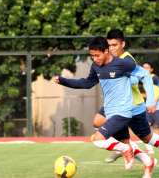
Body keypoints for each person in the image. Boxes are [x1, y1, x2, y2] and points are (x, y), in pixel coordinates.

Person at [96, 29, 159, 168]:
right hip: (117, 103)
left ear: (122, 44)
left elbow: (137, 79)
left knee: (148, 138)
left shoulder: (127, 59)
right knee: (98, 122)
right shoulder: (111, 59)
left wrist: (151, 101)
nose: (111, 48)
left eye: (114, 45)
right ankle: (127, 149)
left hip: (132, 105)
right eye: (109, 45)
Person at [54, 36, 136, 170]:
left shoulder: (123, 64)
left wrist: (146, 96)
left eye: (97, 55)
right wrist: (64, 80)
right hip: (110, 111)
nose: (95, 59)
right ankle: (147, 160)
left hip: (122, 112)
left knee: (97, 139)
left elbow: (140, 72)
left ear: (106, 51)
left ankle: (125, 149)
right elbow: (86, 83)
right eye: (92, 56)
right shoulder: (96, 67)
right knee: (125, 143)